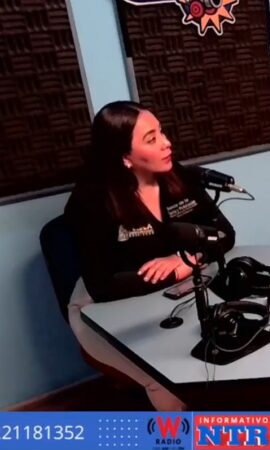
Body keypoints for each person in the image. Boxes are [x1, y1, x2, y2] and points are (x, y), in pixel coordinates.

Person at [64, 100, 236, 410]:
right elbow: (102, 286)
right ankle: (178, 438)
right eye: (151, 138)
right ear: (125, 157)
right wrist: (179, 270)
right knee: (164, 375)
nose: (166, 143)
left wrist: (185, 262)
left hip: (170, 293)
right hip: (100, 309)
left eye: (162, 132)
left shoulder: (176, 176)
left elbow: (225, 234)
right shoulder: (89, 201)